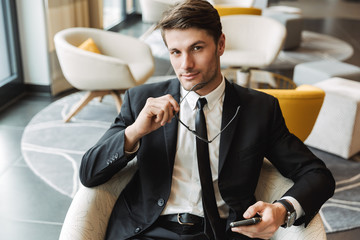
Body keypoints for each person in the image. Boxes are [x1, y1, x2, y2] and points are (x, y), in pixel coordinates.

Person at [79, 0, 335, 239]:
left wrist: (282, 209)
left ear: (220, 44)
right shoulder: (141, 101)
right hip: (148, 230)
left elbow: (317, 174)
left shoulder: (259, 109)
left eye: (197, 48)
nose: (185, 65)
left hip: (222, 232)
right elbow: (89, 173)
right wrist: (133, 132)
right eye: (175, 52)